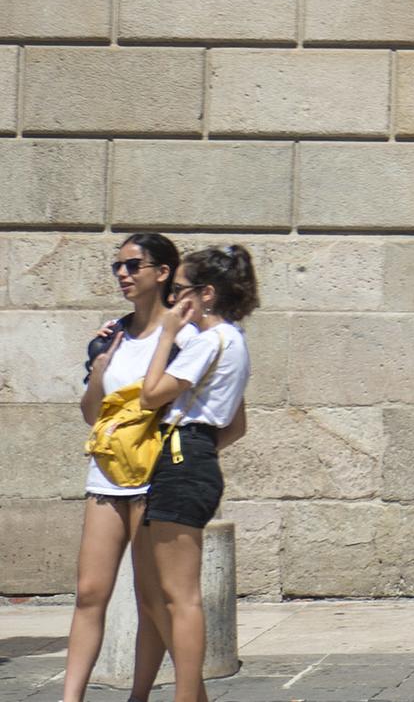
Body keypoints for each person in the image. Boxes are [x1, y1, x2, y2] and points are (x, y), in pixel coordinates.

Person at [63, 234, 180, 702]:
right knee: (90, 592)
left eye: (133, 265)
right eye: (118, 267)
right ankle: (70, 697)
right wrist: (98, 370)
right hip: (107, 475)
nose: (123, 275)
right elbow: (93, 414)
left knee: (153, 600)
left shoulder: (180, 335)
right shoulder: (112, 335)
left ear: (163, 272)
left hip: (155, 476)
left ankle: (143, 696)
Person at [136, 245, 256, 702]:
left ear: (206, 294)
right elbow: (237, 425)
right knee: (158, 593)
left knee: (179, 597)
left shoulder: (207, 341)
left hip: (182, 460)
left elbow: (151, 395)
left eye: (180, 291)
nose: (173, 300)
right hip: (194, 456)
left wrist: (167, 332)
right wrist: (197, 449)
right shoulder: (235, 339)